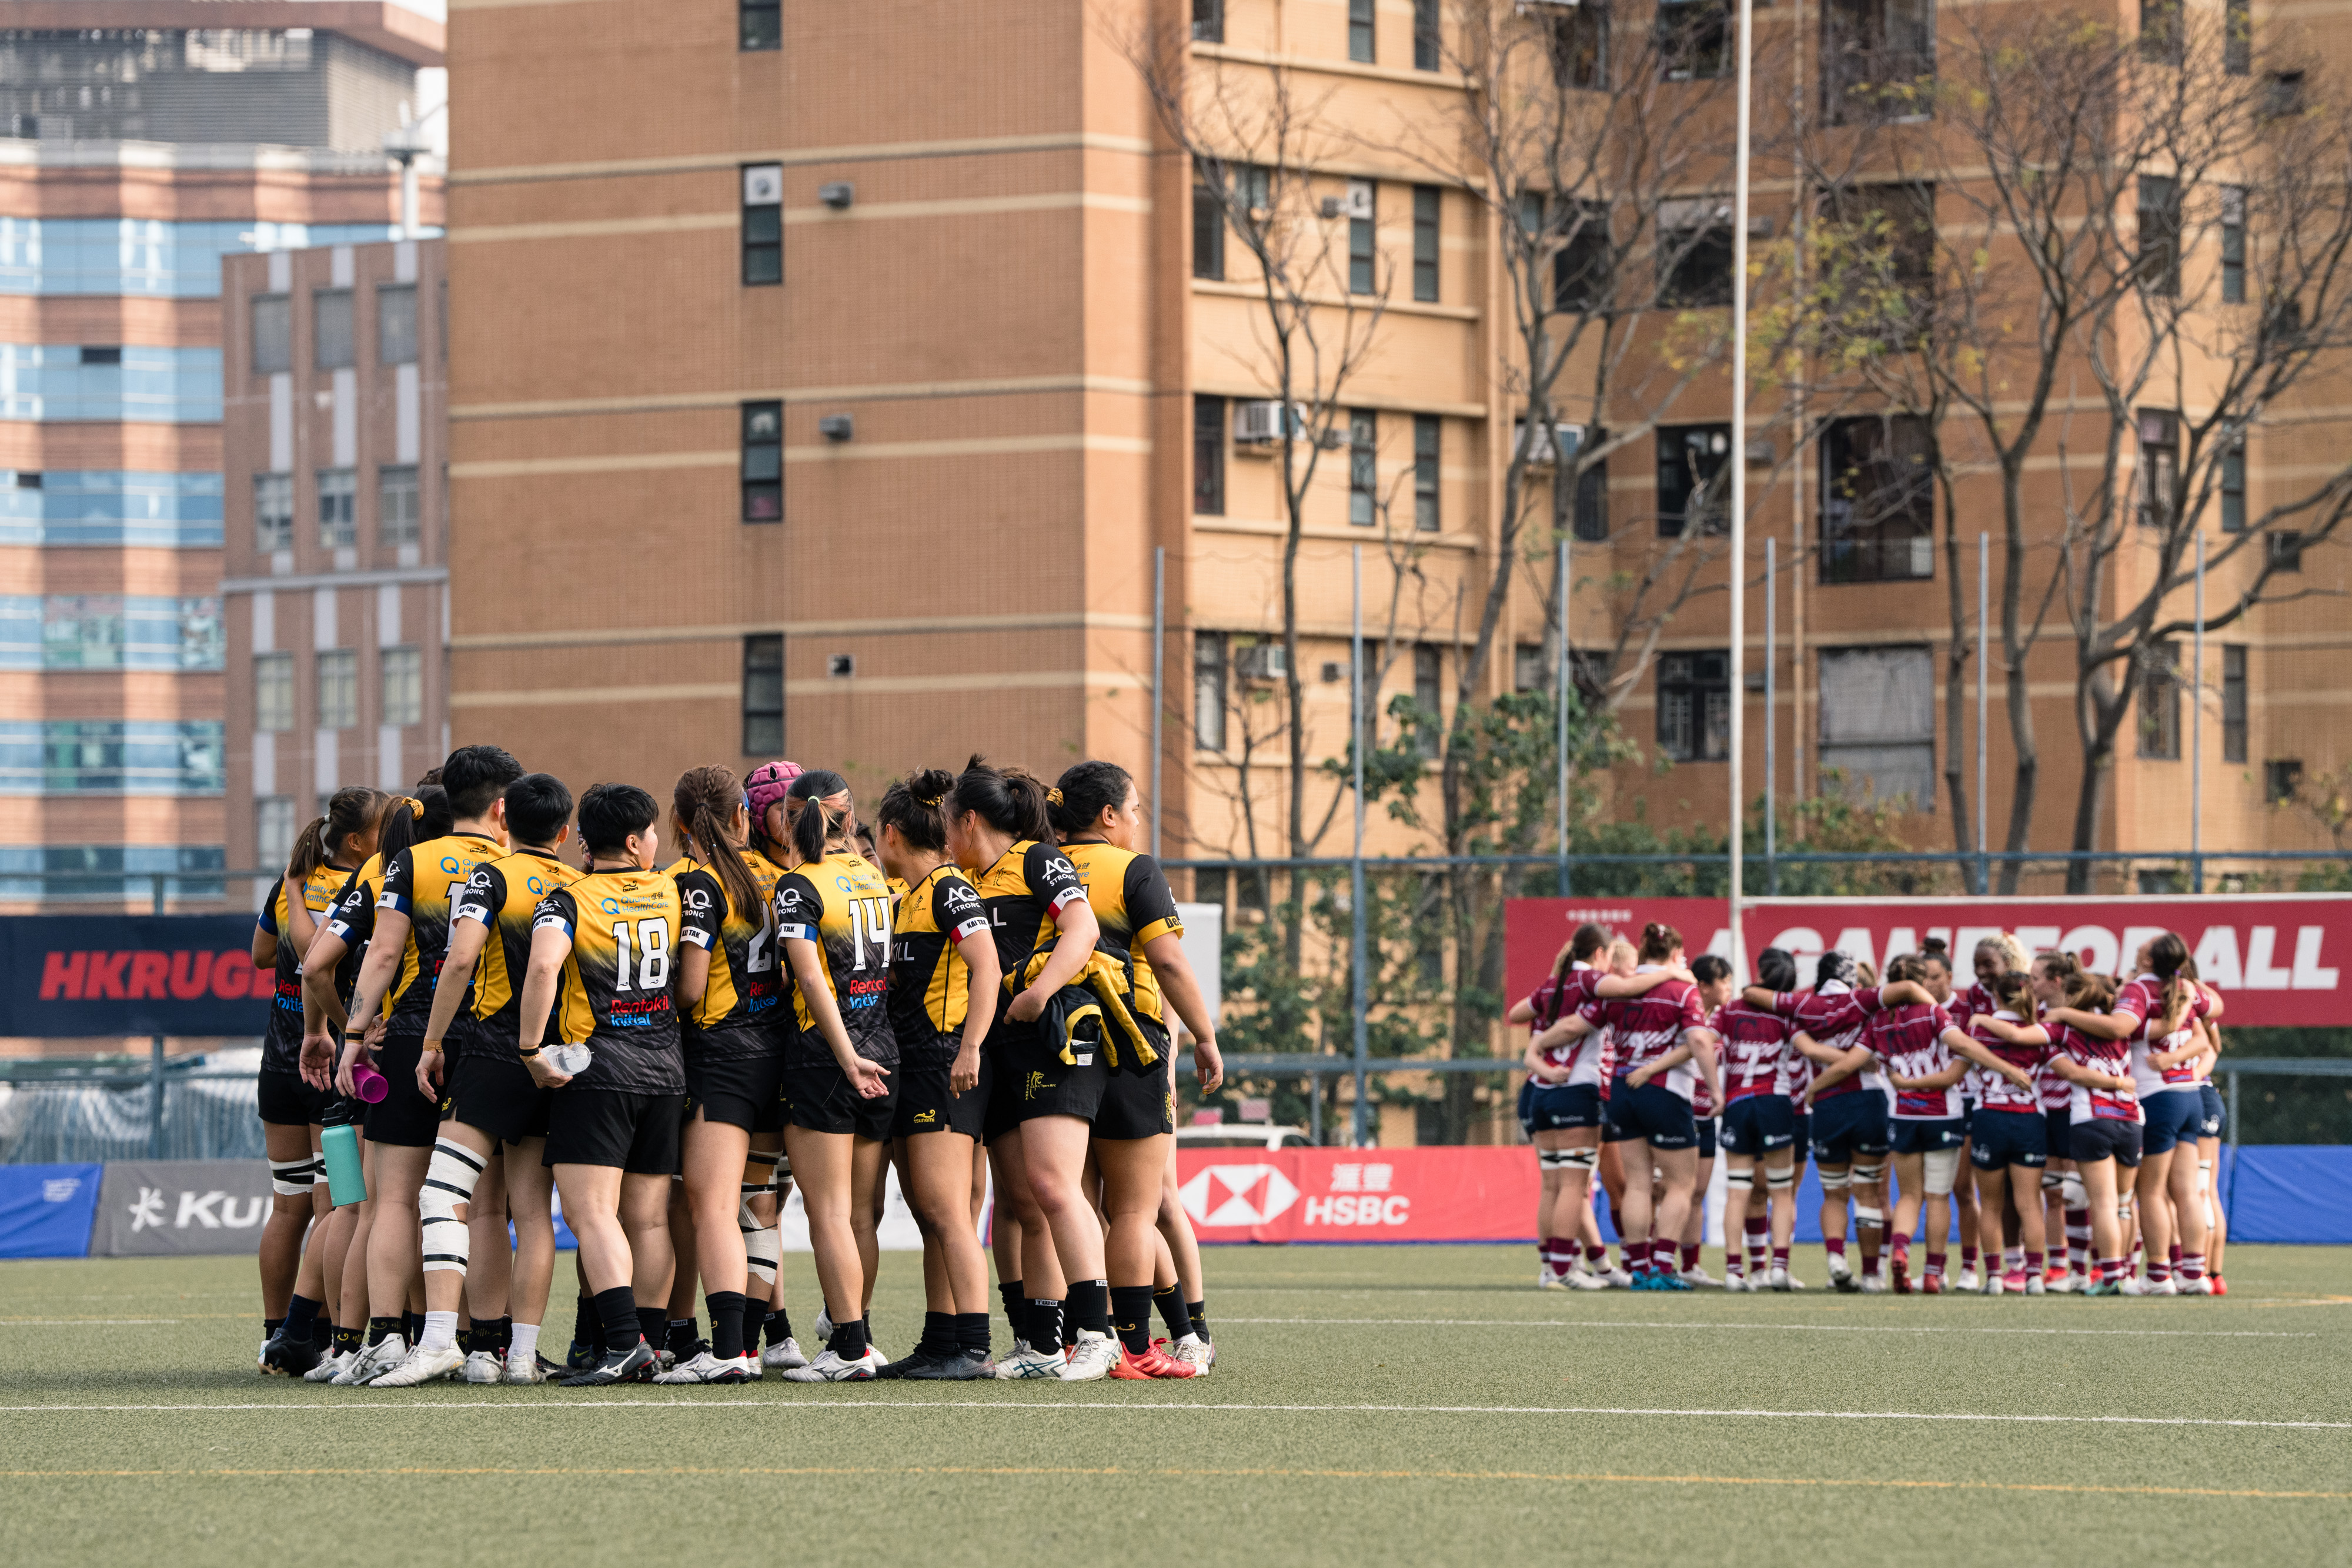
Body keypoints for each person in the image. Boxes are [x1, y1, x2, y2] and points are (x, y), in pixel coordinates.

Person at [377, 771, 581, 1386]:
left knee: (443, 1196)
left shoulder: (489, 876)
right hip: (553, 1062)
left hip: (493, 1055)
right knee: (530, 1214)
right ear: (565, 832)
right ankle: (515, 1354)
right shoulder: (577, 884)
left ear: (505, 821)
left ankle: (440, 1340)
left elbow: (460, 959)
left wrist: (432, 1042)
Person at [1051, 760, 1225, 1378]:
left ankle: (1078, 1337)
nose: (1135, 820)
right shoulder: (1133, 869)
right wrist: (1204, 1036)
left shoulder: (1037, 867)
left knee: (1077, 1202)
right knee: (1136, 1208)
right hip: (1132, 1046)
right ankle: (1138, 1344)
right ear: (1106, 815)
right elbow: (1170, 963)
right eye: (1133, 809)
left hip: (1059, 1048)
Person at [520, 782, 687, 1385]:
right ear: (636, 840)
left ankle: (622, 1344)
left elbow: (543, 967)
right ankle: (650, 1339)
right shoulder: (671, 889)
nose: (657, 842)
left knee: (592, 1215)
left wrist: (531, 1050)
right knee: (647, 1221)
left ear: (590, 842)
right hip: (666, 1071)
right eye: (652, 833)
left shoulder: (569, 898)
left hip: (597, 1072)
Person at [947, 755, 1102, 1378]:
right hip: (996, 1051)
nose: (944, 838)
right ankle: (1041, 1345)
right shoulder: (964, 879)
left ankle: (1095, 1334)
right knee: (1021, 1200)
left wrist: (1039, 993)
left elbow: (1081, 926)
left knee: (1053, 1188)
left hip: (1047, 1039)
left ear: (971, 820)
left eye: (948, 825)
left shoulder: (1038, 858)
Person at [296, 784, 452, 1384]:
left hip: (364, 1063)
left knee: (355, 1204)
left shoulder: (375, 870)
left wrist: (344, 1032)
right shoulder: (491, 866)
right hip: (453, 1046)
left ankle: (344, 1345)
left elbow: (307, 961)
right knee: (469, 1206)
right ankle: (472, 1341)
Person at [654, 766, 789, 1385]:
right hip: (778, 1053)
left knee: (710, 1208)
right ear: (744, 815)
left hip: (722, 1056)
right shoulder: (774, 876)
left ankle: (729, 1350)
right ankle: (753, 1345)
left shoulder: (701, 885)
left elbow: (690, 986)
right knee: (753, 1208)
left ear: (679, 823)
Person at [869, 767, 1003, 1379]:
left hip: (944, 1064)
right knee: (931, 1212)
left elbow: (988, 969)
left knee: (947, 1212)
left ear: (891, 835)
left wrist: (970, 1048)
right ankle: (939, 1342)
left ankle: (972, 1346)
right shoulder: (912, 897)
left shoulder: (951, 889)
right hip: (917, 1065)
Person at [1800, 952, 2029, 1295]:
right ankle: (1934, 1272)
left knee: (1908, 1196)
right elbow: (1963, 1045)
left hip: (1903, 1116)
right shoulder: (1935, 1013)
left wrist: (1815, 1087)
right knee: (1937, 1197)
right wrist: (2008, 1069)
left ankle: (1901, 1251)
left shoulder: (1878, 1022)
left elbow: (1850, 1064)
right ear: (1922, 983)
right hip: (1942, 1116)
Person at [773, 771, 898, 1381]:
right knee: (857, 1216)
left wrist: (844, 1053)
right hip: (886, 1052)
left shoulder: (798, 885)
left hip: (829, 1058)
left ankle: (846, 1348)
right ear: (850, 820)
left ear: (790, 818)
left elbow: (810, 978)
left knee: (827, 1213)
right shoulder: (870, 874)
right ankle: (861, 1335)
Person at [254, 786, 383, 1375]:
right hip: (332, 1065)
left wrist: (292, 896)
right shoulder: (372, 887)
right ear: (358, 841)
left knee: (289, 1207)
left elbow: (261, 955)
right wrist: (342, 1029)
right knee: (341, 1205)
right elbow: (320, 968)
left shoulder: (293, 884)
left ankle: (276, 1333)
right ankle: (330, 1338)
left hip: (279, 1066)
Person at [1508, 925, 1693, 1289]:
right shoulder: (1591, 981)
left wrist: (1538, 1047)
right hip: (1575, 1088)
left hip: (1539, 1090)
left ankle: (1558, 1266)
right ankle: (1564, 1271)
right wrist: (1671, 972)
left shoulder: (1551, 986)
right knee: (1573, 1187)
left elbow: (1517, 1014)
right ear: (1599, 955)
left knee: (1553, 1185)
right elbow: (1624, 989)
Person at [1988, 954, 2141, 1295]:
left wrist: (1975, 1024)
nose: (2031, 985)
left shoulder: (2066, 1024)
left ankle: (2112, 1270)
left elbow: (2028, 1042)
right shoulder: (2117, 1026)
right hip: (2104, 1115)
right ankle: (2077, 1269)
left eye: (2037, 977)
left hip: (2087, 1115)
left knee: (2095, 1199)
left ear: (2062, 985)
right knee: (2084, 1198)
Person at [1746, 951, 1887, 1292]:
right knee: (1867, 1191)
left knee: (1834, 1193)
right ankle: (1871, 1275)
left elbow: (1751, 993)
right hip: (1868, 1102)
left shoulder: (1802, 1005)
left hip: (1827, 1107)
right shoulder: (1865, 1002)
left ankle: (1837, 1260)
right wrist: (1859, 1061)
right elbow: (1905, 991)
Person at [1599, 924, 1722, 1291]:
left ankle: (1638, 1268)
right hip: (1665, 1094)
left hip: (1622, 1090)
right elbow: (1699, 1039)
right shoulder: (1682, 989)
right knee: (1680, 1185)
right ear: (1674, 955)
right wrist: (1715, 1090)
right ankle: (1664, 1268)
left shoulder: (1620, 989)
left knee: (1637, 1183)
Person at [741, 757, 809, 1370]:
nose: (790, 821)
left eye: (798, 810)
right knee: (758, 1202)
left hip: (804, 1053)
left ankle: (780, 1332)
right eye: (779, 810)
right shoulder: (746, 873)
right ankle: (777, 1332)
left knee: (771, 1202)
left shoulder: (816, 873)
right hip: (758, 1049)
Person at [1948, 968, 2052, 1295]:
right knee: (2030, 1204)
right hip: (2029, 1120)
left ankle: (1994, 1277)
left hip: (1990, 1119)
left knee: (1990, 1204)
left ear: (1994, 996)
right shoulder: (2041, 1031)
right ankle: (2034, 1277)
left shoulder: (1978, 1031)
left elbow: (1956, 1069)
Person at [1712, 947, 1802, 1291]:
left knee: (1738, 1192)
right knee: (1781, 1192)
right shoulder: (1787, 1014)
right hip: (1775, 1103)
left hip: (1737, 1104)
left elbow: (1705, 1043)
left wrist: (1715, 1092)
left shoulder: (1730, 1009)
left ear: (1761, 973)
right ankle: (1779, 1268)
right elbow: (1809, 1049)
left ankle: (1735, 1272)